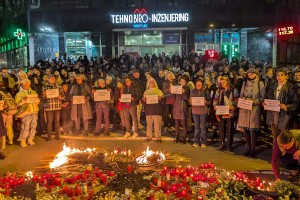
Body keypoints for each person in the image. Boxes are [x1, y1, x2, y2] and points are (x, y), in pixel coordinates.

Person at [265, 69, 298, 143]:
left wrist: (286, 106)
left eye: (281, 75)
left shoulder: (290, 87)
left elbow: (295, 104)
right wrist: (265, 103)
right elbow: (268, 99)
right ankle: (276, 152)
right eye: (278, 75)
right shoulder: (272, 87)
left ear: (286, 77)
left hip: (285, 116)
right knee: (275, 135)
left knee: (284, 137)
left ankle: (284, 152)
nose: (279, 77)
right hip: (273, 115)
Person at [237, 68, 265, 157]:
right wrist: (243, 99)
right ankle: (247, 146)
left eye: (252, 73)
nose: (250, 75)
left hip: (254, 109)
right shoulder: (245, 83)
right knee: (246, 129)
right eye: (249, 73)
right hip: (245, 108)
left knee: (253, 129)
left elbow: (262, 98)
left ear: (256, 74)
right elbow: (241, 95)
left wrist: (254, 101)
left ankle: (253, 148)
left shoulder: (260, 83)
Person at [214, 75, 239, 151]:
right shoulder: (219, 90)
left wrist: (233, 106)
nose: (223, 84)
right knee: (221, 129)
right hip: (221, 112)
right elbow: (215, 99)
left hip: (230, 112)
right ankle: (222, 143)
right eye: (221, 83)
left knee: (230, 129)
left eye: (224, 82)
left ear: (227, 81)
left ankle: (229, 145)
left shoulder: (233, 89)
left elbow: (237, 100)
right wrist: (215, 106)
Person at [15, 79, 40, 147]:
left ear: (29, 84)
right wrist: (24, 100)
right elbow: (17, 104)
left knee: (33, 126)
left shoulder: (33, 92)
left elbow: (38, 101)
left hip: (34, 111)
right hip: (26, 112)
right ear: (22, 85)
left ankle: (30, 139)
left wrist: (37, 100)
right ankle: (23, 140)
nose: (26, 85)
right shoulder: (19, 94)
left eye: (27, 84)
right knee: (25, 127)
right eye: (24, 84)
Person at [190, 79, 211, 148]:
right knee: (197, 127)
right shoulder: (193, 91)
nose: (198, 86)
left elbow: (209, 101)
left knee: (203, 127)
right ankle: (196, 141)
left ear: (202, 85)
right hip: (195, 111)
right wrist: (190, 102)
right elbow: (190, 101)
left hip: (203, 111)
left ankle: (203, 142)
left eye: (200, 85)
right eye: (197, 85)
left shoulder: (205, 91)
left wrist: (205, 102)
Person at [142, 78, 164, 143]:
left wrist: (160, 99)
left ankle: (158, 137)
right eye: (150, 82)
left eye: (153, 82)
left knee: (157, 125)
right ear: (148, 84)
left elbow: (163, 102)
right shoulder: (146, 92)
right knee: (149, 125)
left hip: (157, 110)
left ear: (155, 83)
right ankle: (149, 137)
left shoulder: (159, 91)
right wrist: (144, 101)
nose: (152, 83)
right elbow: (143, 103)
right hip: (148, 110)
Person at [42, 74, 63, 141]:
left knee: (57, 121)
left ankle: (57, 136)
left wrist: (60, 97)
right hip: (49, 106)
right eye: (51, 78)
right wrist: (44, 95)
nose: (53, 79)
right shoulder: (45, 87)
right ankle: (49, 136)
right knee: (49, 121)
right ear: (48, 79)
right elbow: (43, 97)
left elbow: (63, 96)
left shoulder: (58, 86)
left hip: (57, 105)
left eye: (54, 78)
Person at [173, 76, 190, 144]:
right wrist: (171, 91)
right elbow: (173, 96)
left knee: (183, 124)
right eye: (181, 81)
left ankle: (184, 137)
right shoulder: (177, 87)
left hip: (183, 108)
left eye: (183, 81)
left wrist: (183, 92)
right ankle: (176, 137)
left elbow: (187, 99)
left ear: (186, 82)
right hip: (177, 107)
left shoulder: (187, 88)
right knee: (176, 123)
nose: (182, 82)